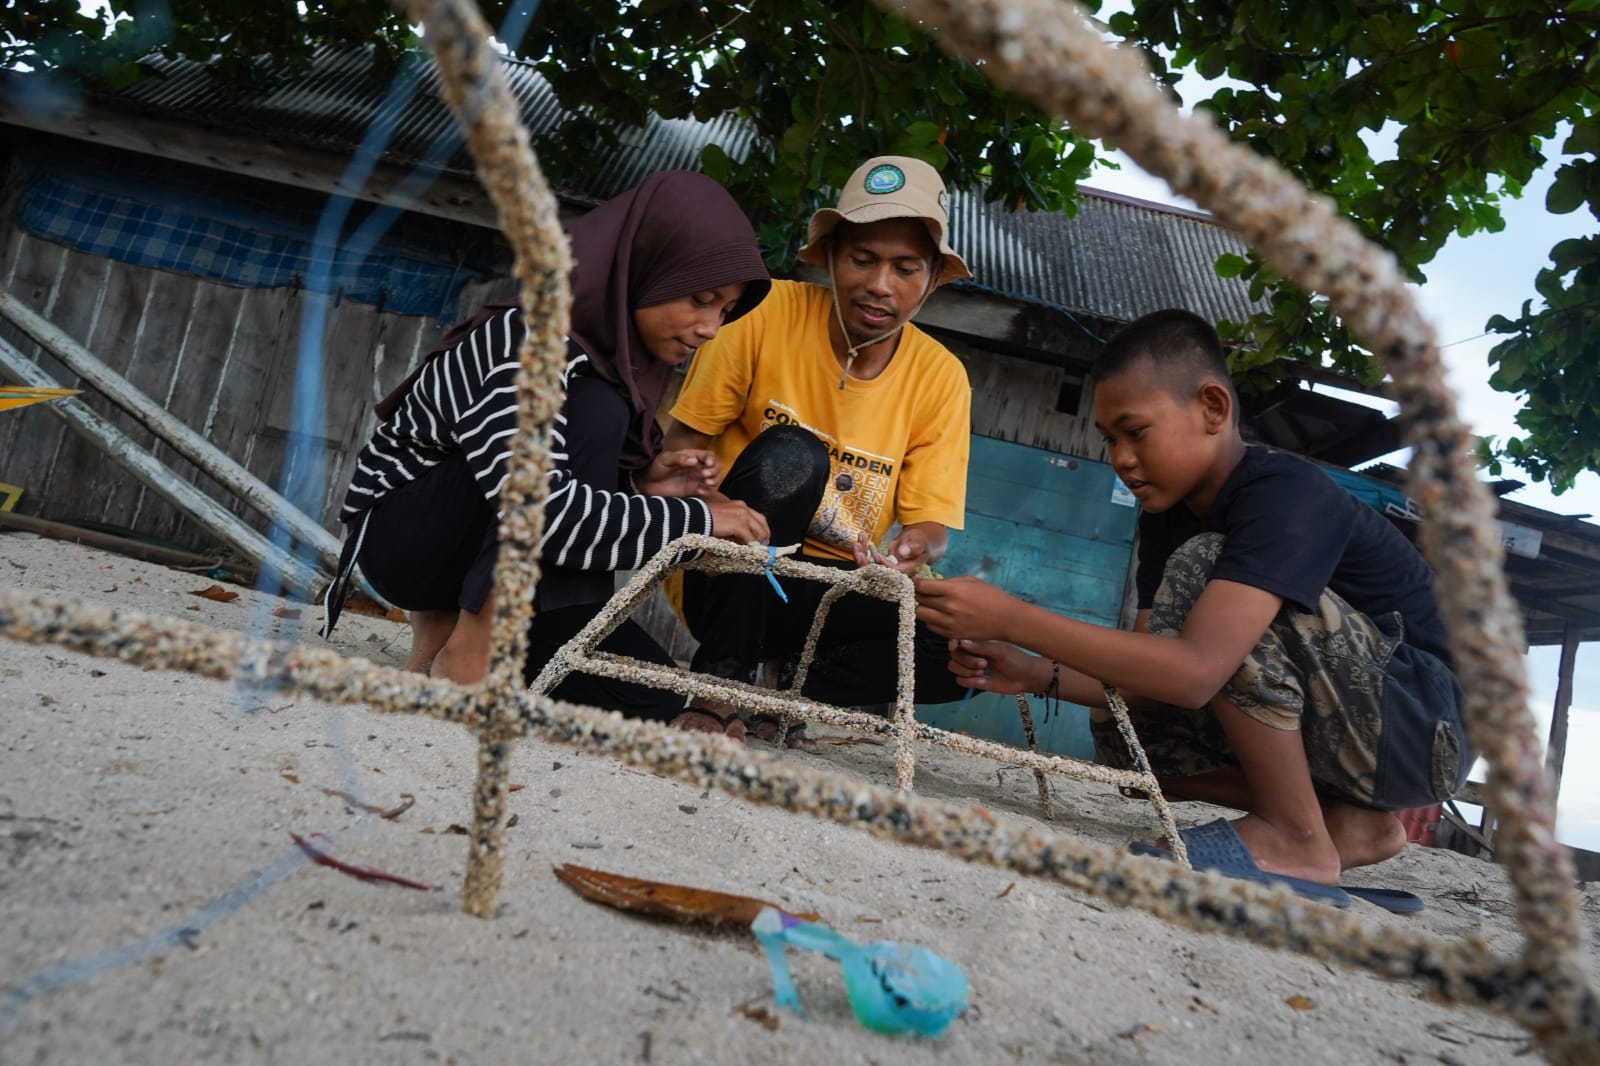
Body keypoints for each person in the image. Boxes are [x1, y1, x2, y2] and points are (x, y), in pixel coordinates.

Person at [914, 309, 1472, 905]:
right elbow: (1149, 682)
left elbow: (1195, 670)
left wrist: (1012, 617)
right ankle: (1345, 824)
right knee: (1127, 737)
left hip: (1423, 724)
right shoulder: (1169, 516)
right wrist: (1034, 671)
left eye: (1136, 431)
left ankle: (1294, 836)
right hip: (1358, 735)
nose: (1121, 457)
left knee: (1208, 565)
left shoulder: (1286, 495)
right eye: (1109, 439)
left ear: (1212, 408)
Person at [322, 171, 772, 736]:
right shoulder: (530, 342)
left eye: (725, 311)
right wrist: (700, 517)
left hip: (493, 549)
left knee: (666, 700)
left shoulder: (610, 359)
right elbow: (542, 512)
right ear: (639, 269)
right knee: (596, 408)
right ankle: (469, 655)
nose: (710, 327)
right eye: (700, 299)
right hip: (407, 541)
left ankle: (445, 647)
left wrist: (641, 485)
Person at [662, 155, 974, 735]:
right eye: (863, 259)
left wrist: (912, 549)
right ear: (830, 257)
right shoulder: (761, 313)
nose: (880, 285)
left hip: (830, 591)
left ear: (932, 280)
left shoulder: (942, 376)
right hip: (724, 574)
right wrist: (692, 487)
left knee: (963, 644)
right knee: (794, 454)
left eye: (906, 268)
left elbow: (932, 527)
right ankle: (720, 683)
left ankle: (790, 694)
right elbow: (680, 451)